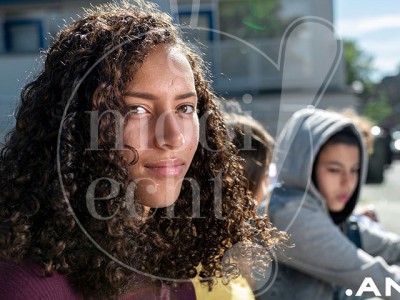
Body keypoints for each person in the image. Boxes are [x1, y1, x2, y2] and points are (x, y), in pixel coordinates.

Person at [0, 1, 284, 299]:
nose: (172, 137)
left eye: (185, 108)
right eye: (137, 109)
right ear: (76, 124)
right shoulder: (28, 285)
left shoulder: (176, 266)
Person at [259, 108, 400, 300]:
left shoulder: (326, 211)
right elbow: (368, 274)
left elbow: (390, 248)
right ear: (305, 166)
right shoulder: (289, 214)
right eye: (334, 170)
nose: (348, 182)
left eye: (355, 170)